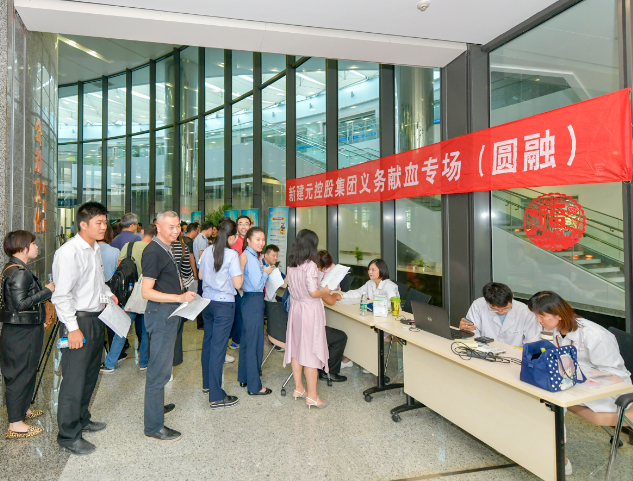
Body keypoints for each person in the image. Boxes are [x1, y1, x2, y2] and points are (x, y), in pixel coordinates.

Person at [527, 291, 632, 476]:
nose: (538, 320)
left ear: (559, 314)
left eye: (541, 316)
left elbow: (616, 375)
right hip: (577, 384)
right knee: (538, 394)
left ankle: (559, 459)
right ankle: (540, 448)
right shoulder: (556, 329)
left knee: (551, 401)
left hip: (610, 393)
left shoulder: (595, 335)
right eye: (536, 316)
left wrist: (577, 374)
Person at [51, 202, 118, 455]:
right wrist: (72, 328)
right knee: (74, 381)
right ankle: (68, 435)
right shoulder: (69, 252)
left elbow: (97, 282)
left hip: (96, 318)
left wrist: (108, 294)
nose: (104, 227)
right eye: (98, 222)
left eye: (105, 222)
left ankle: (82, 419)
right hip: (78, 322)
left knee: (89, 376)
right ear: (83, 224)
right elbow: (61, 295)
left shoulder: (95, 249)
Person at [141, 211, 197, 442]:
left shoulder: (167, 248)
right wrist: (178, 297)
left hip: (168, 313)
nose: (176, 231)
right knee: (159, 372)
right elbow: (146, 292)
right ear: (158, 227)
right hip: (161, 315)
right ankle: (154, 426)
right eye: (171, 227)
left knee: (163, 369)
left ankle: (156, 407)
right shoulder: (153, 251)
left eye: (178, 227)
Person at [1, 231, 54, 439]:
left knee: (27, 370)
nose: (37, 247)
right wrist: (47, 291)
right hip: (21, 332)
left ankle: (22, 410)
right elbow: (20, 304)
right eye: (33, 243)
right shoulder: (19, 272)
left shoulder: (14, 268)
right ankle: (15, 424)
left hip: (22, 329)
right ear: (22, 247)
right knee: (20, 374)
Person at [199, 219, 246, 408]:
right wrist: (242, 267)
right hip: (224, 305)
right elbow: (238, 284)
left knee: (208, 344)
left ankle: (207, 384)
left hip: (207, 303)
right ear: (232, 237)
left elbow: (200, 276)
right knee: (218, 349)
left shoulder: (207, 251)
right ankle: (216, 396)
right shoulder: (232, 254)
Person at [283, 229, 332, 408]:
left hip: (296, 308)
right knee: (311, 351)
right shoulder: (310, 265)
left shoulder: (292, 265)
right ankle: (312, 396)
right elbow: (313, 292)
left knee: (296, 348)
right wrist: (325, 291)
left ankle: (299, 388)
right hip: (309, 310)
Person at [100, 224, 157, 373]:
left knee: (121, 329)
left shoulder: (129, 246)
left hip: (129, 295)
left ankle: (110, 363)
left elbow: (119, 268)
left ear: (142, 232)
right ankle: (144, 363)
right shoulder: (155, 249)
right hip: (148, 294)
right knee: (145, 332)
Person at [237, 227, 274, 395]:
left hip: (248, 300)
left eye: (263, 239)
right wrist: (266, 273)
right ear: (248, 240)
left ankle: (244, 377)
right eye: (257, 239)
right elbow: (257, 284)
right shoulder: (251, 258)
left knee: (247, 341)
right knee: (254, 343)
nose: (261, 243)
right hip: (253, 300)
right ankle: (254, 386)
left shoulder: (250, 256)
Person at [459, 282, 541, 347]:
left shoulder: (525, 311)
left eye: (506, 308)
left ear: (512, 297)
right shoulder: (478, 305)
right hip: (485, 352)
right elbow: (473, 334)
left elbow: (532, 341)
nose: (501, 312)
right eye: (495, 309)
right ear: (487, 301)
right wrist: (466, 330)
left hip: (516, 357)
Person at [229, 216, 252, 350]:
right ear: (237, 226)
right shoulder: (235, 242)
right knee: (239, 313)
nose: (243, 226)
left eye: (246, 224)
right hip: (238, 283)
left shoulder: (251, 240)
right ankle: (236, 339)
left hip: (249, 282)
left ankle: (241, 338)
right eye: (240, 224)